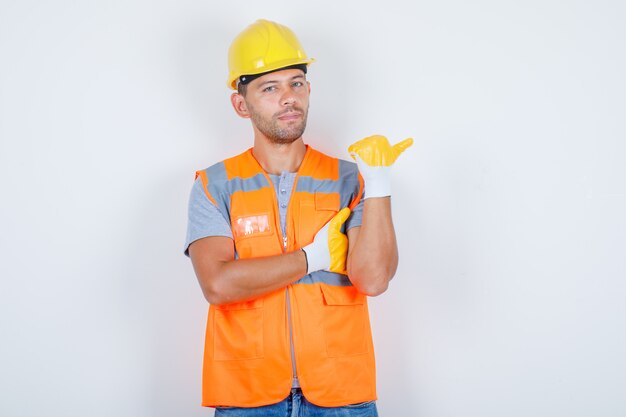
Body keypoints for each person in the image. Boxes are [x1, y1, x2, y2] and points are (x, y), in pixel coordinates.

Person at [184, 19, 412, 416]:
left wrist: (378, 184)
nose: (288, 97)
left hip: (342, 396)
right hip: (248, 398)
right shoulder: (214, 185)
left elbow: (373, 279)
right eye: (269, 88)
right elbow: (218, 284)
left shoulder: (351, 178)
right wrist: (312, 259)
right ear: (241, 104)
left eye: (297, 83)